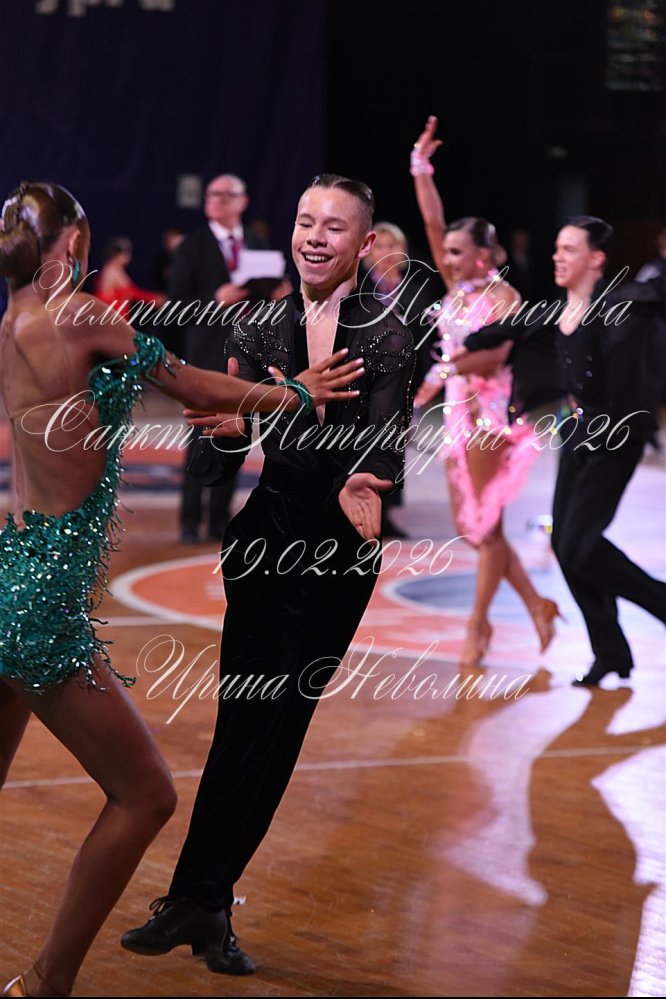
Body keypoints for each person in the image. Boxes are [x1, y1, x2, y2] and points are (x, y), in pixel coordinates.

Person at [0, 180, 363, 998]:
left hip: (9, 574)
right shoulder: (81, 315)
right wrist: (294, 392)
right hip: (43, 606)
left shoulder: (12, 318)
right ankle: (46, 982)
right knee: (145, 795)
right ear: (71, 243)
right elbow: (193, 385)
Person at [121, 173, 415, 974]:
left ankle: (206, 899)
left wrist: (366, 479)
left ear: (364, 242)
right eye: (306, 220)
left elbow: (385, 438)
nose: (315, 236)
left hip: (341, 553)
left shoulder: (391, 332)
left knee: (282, 729)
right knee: (244, 721)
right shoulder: (256, 324)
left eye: (334, 226)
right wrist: (222, 435)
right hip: (265, 543)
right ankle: (196, 896)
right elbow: (216, 466)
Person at [465, 216, 666, 684]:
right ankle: (610, 652)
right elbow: (515, 325)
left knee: (579, 544)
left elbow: (656, 294)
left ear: (596, 258)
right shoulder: (558, 311)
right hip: (576, 431)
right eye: (557, 247)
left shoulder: (624, 303)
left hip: (616, 437)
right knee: (565, 545)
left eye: (569, 249)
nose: (557, 256)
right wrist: (470, 342)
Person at [410, 115, 561, 668]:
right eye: (446, 251)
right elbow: (431, 220)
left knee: (485, 528)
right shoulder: (457, 286)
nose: (446, 258)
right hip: (458, 415)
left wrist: (440, 372)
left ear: (483, 254)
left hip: (489, 418)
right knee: (473, 529)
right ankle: (538, 605)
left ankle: (479, 625)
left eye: (456, 251)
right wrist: (420, 166)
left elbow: (493, 357)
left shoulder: (504, 298)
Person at [171, 174, 270, 544]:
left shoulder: (258, 244)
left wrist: (278, 296)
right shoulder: (192, 246)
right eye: (212, 194)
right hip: (204, 358)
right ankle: (189, 519)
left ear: (243, 201)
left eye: (226, 195)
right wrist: (215, 301)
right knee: (200, 437)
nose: (216, 200)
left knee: (237, 436)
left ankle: (219, 519)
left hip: (246, 359)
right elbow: (176, 307)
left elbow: (265, 301)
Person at [94, 236, 166, 319]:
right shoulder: (112, 270)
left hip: (115, 316)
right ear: (118, 254)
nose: (129, 256)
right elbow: (132, 292)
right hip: (112, 317)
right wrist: (152, 298)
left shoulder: (114, 269)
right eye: (127, 253)